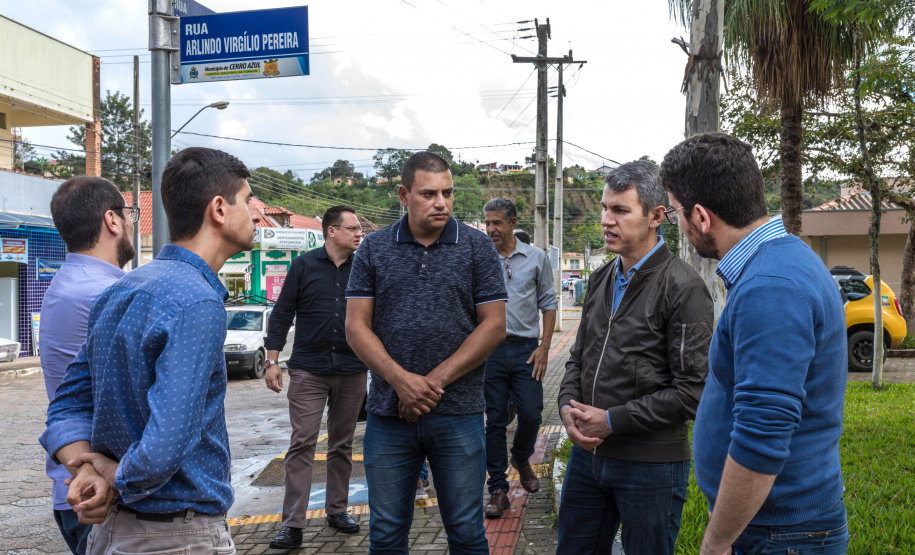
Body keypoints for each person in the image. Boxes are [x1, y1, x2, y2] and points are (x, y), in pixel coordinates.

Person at [39, 147, 260, 554]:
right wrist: (110, 473)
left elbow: (67, 403)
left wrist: (89, 467)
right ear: (219, 209)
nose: (257, 214)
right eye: (247, 201)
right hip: (176, 536)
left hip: (113, 533)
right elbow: (164, 446)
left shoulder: (123, 287)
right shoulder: (198, 302)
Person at [660, 133, 849, 555]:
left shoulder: (770, 287)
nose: (680, 227)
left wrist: (717, 540)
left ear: (702, 217)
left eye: (676, 214)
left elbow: (763, 431)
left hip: (780, 532)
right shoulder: (785, 258)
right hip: (771, 522)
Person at [345, 151, 507, 554]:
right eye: (429, 193)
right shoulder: (374, 248)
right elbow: (355, 326)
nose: (442, 203)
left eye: (448, 193)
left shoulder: (476, 247)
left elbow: (494, 326)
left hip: (460, 414)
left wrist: (431, 384)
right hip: (388, 415)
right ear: (404, 194)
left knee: (468, 532)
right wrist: (402, 383)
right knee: (385, 533)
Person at [556, 160, 713, 554]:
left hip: (651, 466)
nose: (607, 220)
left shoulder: (683, 287)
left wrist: (612, 420)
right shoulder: (600, 279)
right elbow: (578, 357)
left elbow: (693, 391)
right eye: (605, 208)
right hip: (588, 458)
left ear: (657, 216)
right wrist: (564, 407)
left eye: (621, 210)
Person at [39, 176, 137, 555]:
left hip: (80, 485)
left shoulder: (71, 283)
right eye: (129, 214)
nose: (130, 224)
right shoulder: (102, 293)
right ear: (112, 221)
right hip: (103, 493)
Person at [264, 205, 367, 549]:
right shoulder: (303, 265)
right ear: (331, 231)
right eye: (352, 228)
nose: (358, 234)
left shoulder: (364, 268)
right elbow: (281, 313)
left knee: (342, 445)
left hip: (353, 369)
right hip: (309, 370)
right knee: (303, 443)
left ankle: (337, 511)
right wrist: (272, 360)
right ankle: (292, 523)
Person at [482, 198, 556, 518]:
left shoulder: (537, 258)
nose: (491, 229)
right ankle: (498, 488)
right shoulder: (481, 259)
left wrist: (545, 346)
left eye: (497, 223)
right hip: (491, 351)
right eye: (487, 223)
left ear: (513, 223)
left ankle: (521, 457)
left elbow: (549, 304)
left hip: (527, 350)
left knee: (531, 413)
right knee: (495, 421)